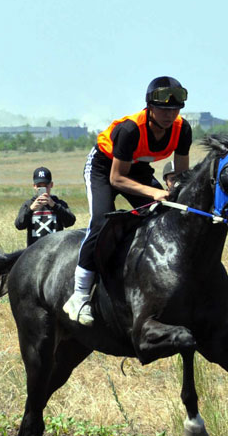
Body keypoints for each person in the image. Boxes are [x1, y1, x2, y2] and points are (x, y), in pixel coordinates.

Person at [64, 76, 192, 325]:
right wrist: (154, 192)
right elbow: (117, 179)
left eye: (175, 109)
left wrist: (174, 188)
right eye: (164, 109)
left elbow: (181, 175)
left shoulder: (182, 129)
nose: (170, 115)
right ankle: (78, 296)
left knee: (164, 213)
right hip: (105, 168)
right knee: (102, 221)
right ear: (150, 107)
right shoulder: (131, 130)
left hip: (137, 169)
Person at [13, 166, 75, 247]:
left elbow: (70, 222)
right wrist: (31, 209)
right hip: (35, 251)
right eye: (39, 186)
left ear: (51, 185)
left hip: (56, 249)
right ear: (34, 186)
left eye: (45, 186)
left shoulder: (59, 203)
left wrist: (54, 206)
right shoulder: (28, 204)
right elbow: (19, 225)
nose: (43, 189)